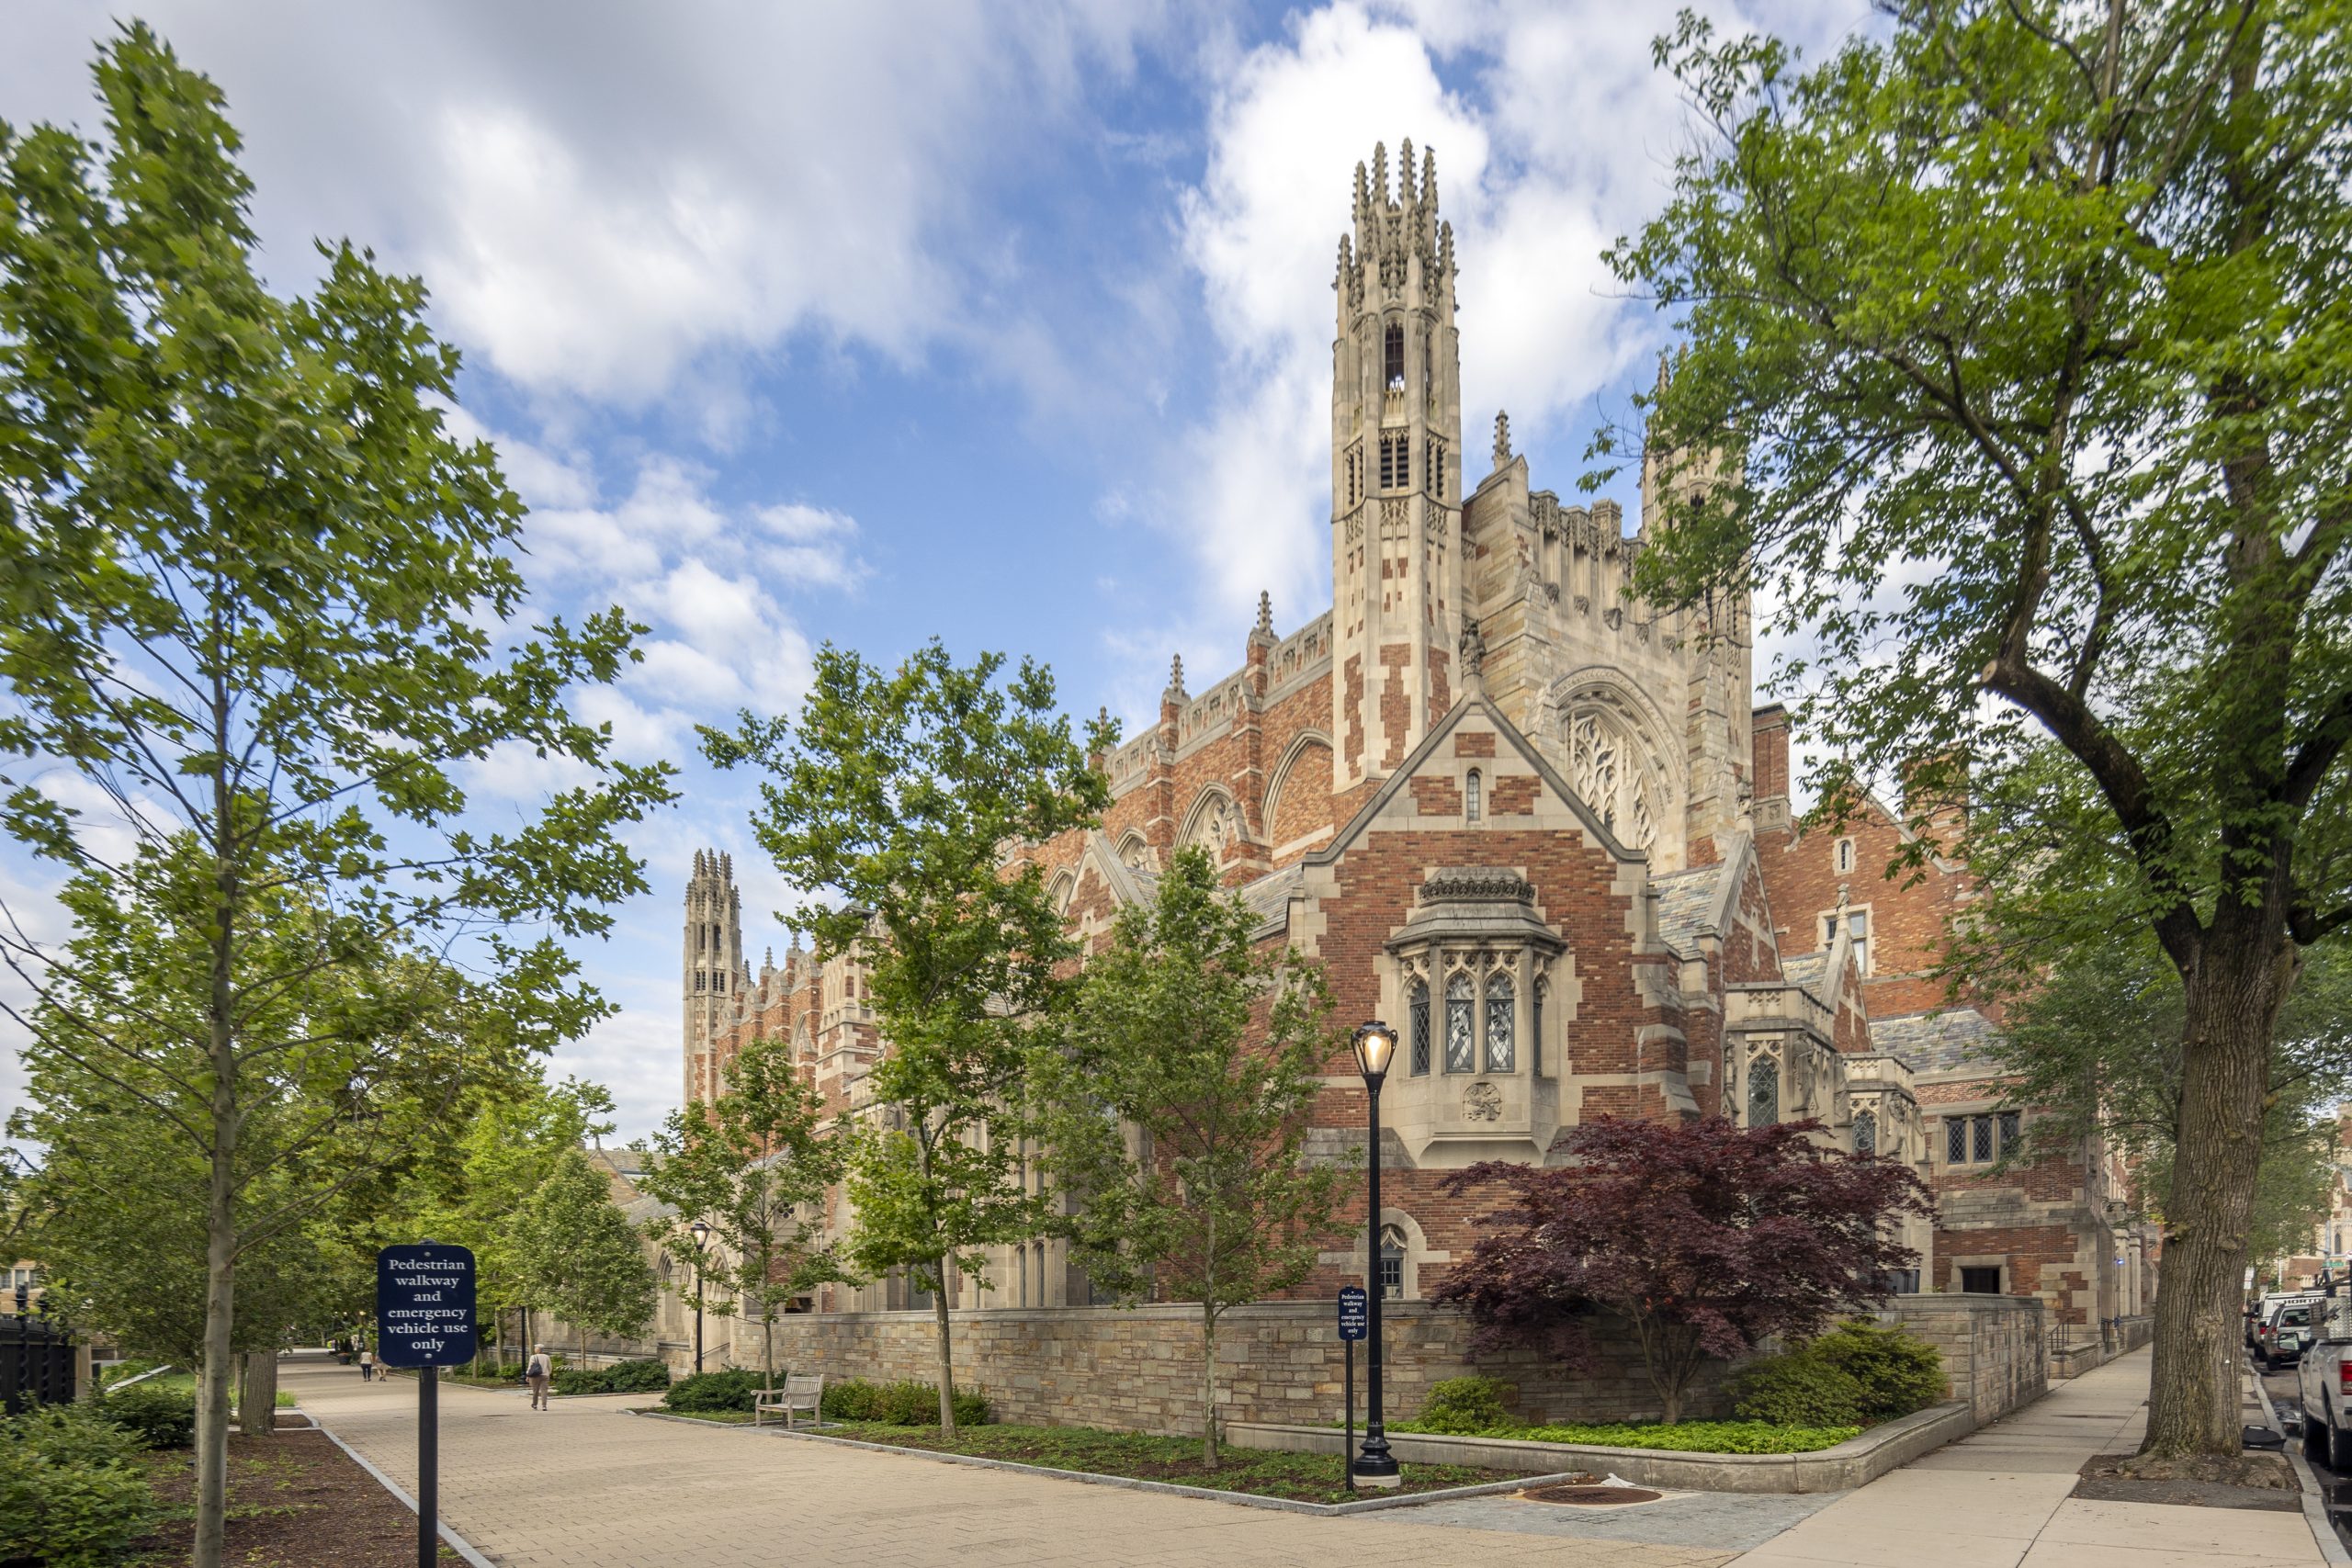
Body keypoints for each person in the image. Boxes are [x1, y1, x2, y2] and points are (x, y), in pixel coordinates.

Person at [526, 1344, 552, 1411]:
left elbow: (530, 1367)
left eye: (535, 1348)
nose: (534, 1349)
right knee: (544, 1391)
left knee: (535, 1391)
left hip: (535, 1376)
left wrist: (528, 1376)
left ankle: (534, 1404)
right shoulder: (547, 1357)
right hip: (545, 1376)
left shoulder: (533, 1357)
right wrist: (548, 1373)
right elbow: (550, 1367)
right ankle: (544, 1406)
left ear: (538, 1350)